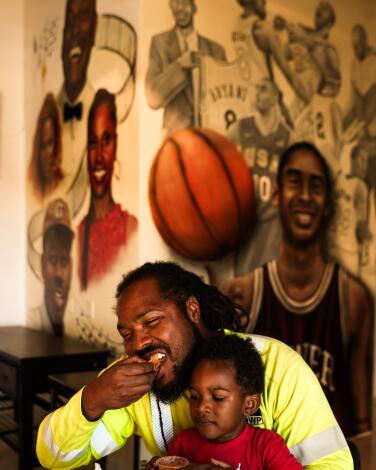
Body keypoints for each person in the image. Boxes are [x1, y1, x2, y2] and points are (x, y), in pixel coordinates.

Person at [37, 261, 352, 468]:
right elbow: (54, 458)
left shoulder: (278, 367)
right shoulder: (126, 385)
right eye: (127, 334)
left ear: (192, 310)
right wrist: (92, 401)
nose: (138, 344)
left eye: (152, 321)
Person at [221, 142, 373, 437]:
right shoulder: (243, 296)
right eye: (294, 181)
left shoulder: (353, 301)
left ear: (328, 204)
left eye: (315, 186)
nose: (305, 196)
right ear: (276, 195)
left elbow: (362, 428)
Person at [159, 332, 303, 469]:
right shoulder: (183, 444)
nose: (201, 407)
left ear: (249, 405)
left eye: (218, 398)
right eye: (195, 396)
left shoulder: (266, 446)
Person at [228, 78, 290, 277]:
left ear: (275, 97)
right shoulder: (240, 129)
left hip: (272, 224)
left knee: (270, 284)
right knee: (241, 286)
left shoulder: (288, 137)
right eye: (255, 88)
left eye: (263, 89)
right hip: (244, 221)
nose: (257, 93)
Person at [78, 89, 137, 290]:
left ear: (116, 143)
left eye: (106, 140)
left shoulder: (130, 228)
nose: (100, 157)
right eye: (93, 143)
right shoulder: (79, 233)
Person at [145, 0, 226, 136]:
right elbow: (153, 98)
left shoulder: (216, 51)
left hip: (210, 137)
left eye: (185, 3)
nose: (180, 8)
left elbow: (225, 102)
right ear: (170, 6)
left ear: (194, 7)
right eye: (175, 2)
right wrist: (179, 66)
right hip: (175, 138)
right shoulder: (159, 44)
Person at [57, 0, 97, 184]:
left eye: (82, 18)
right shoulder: (47, 118)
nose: (74, 31)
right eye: (70, 21)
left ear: (94, 28)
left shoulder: (106, 114)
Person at [28, 198, 74, 336]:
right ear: (42, 265)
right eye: (52, 259)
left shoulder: (75, 331)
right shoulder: (31, 324)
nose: (59, 273)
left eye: (64, 260)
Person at [28, 93, 63, 200]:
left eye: (49, 143)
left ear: (57, 142)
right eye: (42, 145)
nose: (46, 153)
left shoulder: (64, 184)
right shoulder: (32, 187)